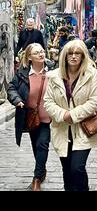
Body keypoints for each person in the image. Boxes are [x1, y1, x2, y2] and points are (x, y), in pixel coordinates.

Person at [44, 40, 97, 191]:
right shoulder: (54, 76)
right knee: (67, 170)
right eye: (70, 53)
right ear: (65, 56)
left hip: (83, 129)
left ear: (83, 56)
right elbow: (48, 102)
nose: (74, 57)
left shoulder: (91, 74)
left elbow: (94, 101)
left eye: (77, 53)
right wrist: (63, 115)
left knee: (77, 168)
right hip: (61, 129)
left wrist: (73, 114)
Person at [7, 43, 51, 191]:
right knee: (36, 147)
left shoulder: (52, 69)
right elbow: (11, 88)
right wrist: (17, 100)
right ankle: (42, 170)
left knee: (42, 145)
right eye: (37, 53)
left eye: (42, 51)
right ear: (30, 57)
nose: (41, 54)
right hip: (32, 117)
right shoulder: (22, 72)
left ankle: (37, 179)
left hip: (50, 117)